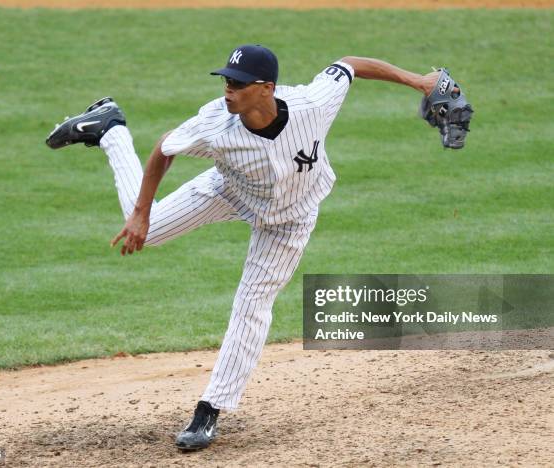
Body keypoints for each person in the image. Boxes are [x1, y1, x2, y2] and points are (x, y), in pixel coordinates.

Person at [46, 44, 439, 450]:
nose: (227, 91)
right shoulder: (216, 123)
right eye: (226, 82)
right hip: (228, 191)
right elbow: (166, 147)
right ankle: (111, 128)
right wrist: (142, 214)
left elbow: (350, 65)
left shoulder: (312, 104)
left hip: (289, 221)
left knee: (252, 303)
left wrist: (419, 82)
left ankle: (209, 410)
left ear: (267, 88)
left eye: (237, 84)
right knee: (147, 226)